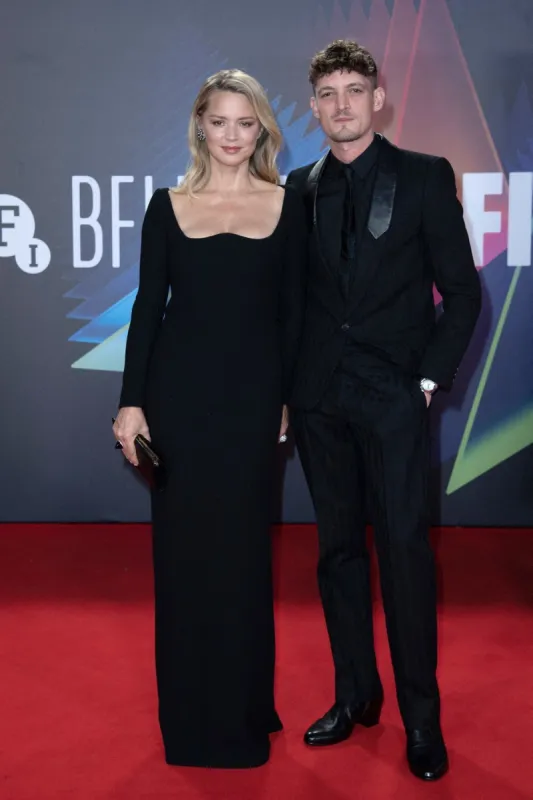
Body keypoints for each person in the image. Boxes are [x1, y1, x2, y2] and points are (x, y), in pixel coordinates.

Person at [286, 40, 481, 781]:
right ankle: (354, 697)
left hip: (394, 397)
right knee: (336, 553)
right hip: (319, 399)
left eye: (353, 90)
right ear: (313, 107)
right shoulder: (298, 189)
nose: (340, 104)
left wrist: (426, 381)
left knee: (403, 555)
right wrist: (286, 392)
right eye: (327, 93)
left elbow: (462, 293)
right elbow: (293, 303)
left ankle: (420, 719)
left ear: (378, 100)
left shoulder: (424, 176)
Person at [112, 69, 307, 769]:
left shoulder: (287, 205)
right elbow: (147, 309)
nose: (231, 135)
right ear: (200, 124)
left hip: (251, 402)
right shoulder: (167, 206)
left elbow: (293, 315)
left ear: (262, 131)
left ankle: (244, 711)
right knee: (183, 559)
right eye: (219, 121)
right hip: (178, 403)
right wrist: (131, 401)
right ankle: (191, 721)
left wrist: (286, 397)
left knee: (243, 558)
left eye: (245, 123)